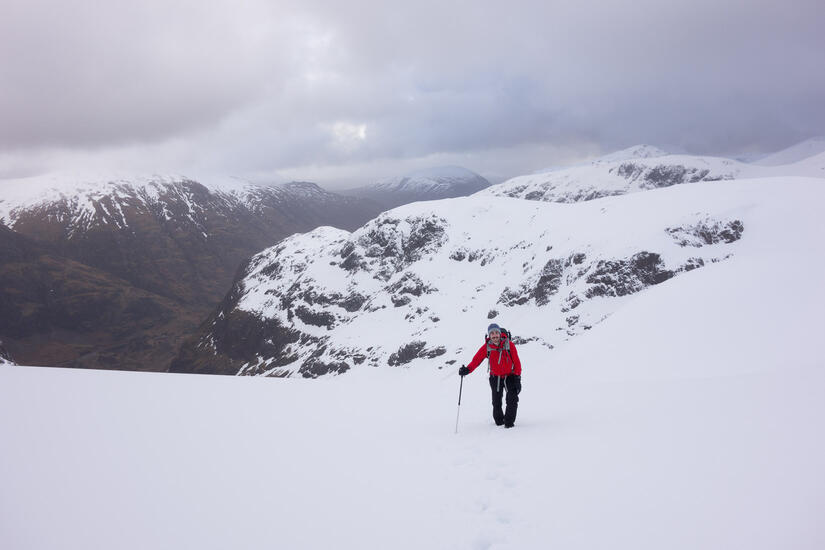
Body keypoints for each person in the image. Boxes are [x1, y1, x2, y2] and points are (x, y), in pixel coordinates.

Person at [458, 323, 522, 428]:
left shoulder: (509, 345)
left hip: (510, 376)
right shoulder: (487, 347)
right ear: (489, 335)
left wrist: (517, 378)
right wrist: (467, 370)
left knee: (512, 399)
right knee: (496, 402)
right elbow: (476, 360)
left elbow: (517, 362)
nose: (495, 335)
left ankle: (509, 423)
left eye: (496, 333)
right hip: (495, 377)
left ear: (500, 334)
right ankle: (499, 421)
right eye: (492, 333)